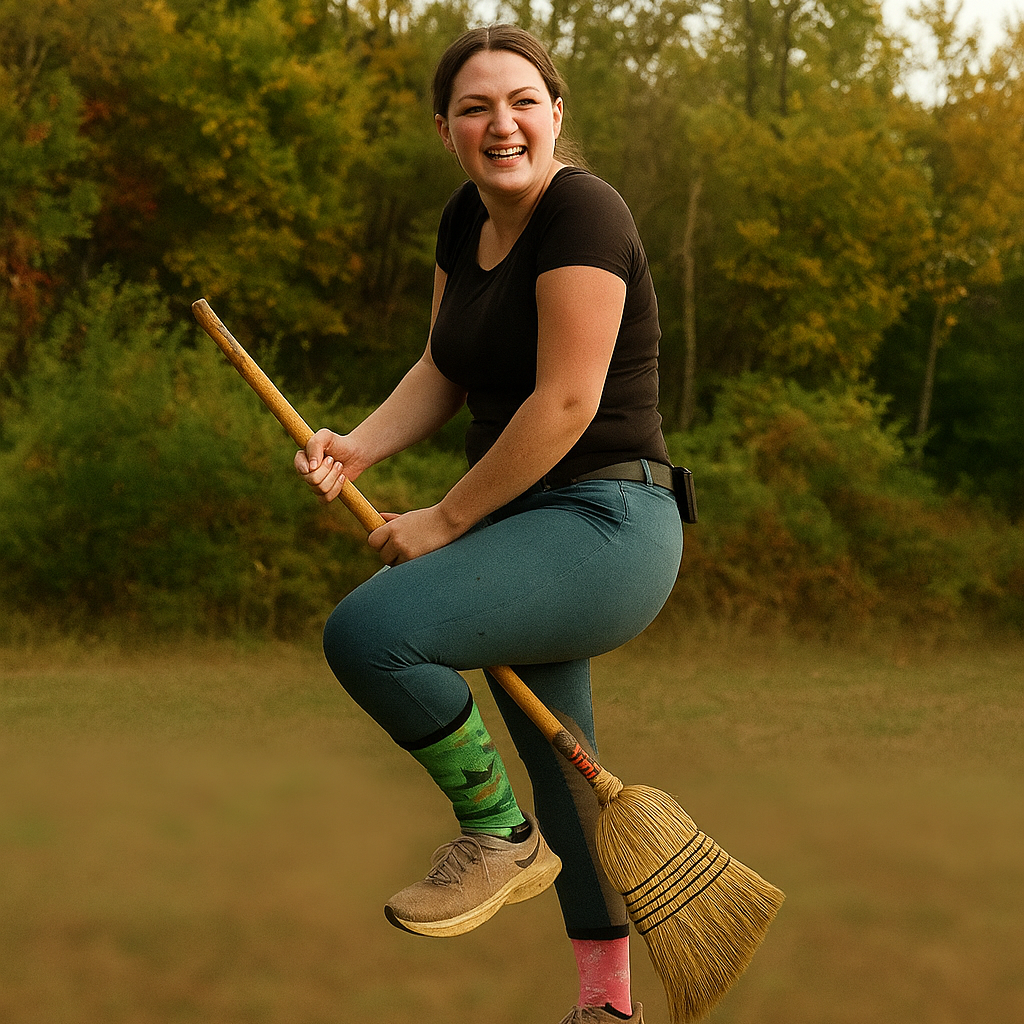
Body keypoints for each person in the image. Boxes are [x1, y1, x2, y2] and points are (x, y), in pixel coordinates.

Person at [295, 24, 683, 1024]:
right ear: (446, 130)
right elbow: (443, 368)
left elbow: (564, 403)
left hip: (609, 523)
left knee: (372, 633)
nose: (499, 123)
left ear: (555, 113)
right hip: (526, 531)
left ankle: (496, 836)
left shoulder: (583, 212)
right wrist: (358, 448)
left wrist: (443, 519)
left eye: (520, 101)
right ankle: (606, 1007)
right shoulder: (461, 223)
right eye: (474, 107)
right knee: (567, 765)